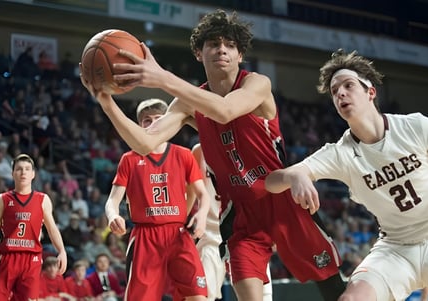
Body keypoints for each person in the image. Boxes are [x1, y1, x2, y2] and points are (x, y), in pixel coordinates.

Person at [81, 9, 346, 301]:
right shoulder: (186, 103)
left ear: (239, 54)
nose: (222, 49)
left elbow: (225, 110)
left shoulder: (257, 84)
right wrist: (106, 103)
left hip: (281, 196)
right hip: (239, 209)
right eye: (214, 44)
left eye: (230, 45)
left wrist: (163, 78)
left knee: (331, 286)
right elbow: (144, 143)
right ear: (199, 52)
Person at [264, 49, 428, 301]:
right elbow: (272, 182)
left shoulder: (415, 126)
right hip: (396, 248)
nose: (340, 93)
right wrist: (294, 176)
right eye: (334, 91)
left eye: (348, 85)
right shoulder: (340, 154)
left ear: (370, 92)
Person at [104, 98, 210, 301]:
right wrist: (112, 215)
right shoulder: (130, 158)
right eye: (146, 120)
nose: (153, 123)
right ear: (139, 125)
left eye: (159, 119)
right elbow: (112, 199)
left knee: (198, 296)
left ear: (169, 121)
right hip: (146, 236)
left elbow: (203, 193)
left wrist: (202, 215)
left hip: (178, 234)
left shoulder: (184, 155)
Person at [190, 143, 274, 301]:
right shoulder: (200, 151)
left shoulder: (246, 146)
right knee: (202, 295)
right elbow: (195, 193)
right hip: (211, 234)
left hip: (246, 232)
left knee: (263, 297)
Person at [0, 153, 67, 300]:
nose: (23, 172)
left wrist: (62, 250)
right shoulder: (2, 199)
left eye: (27, 169)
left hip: (32, 259)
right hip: (7, 257)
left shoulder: (43, 199)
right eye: (19, 169)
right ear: (12, 173)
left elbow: (52, 228)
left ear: (33, 174)